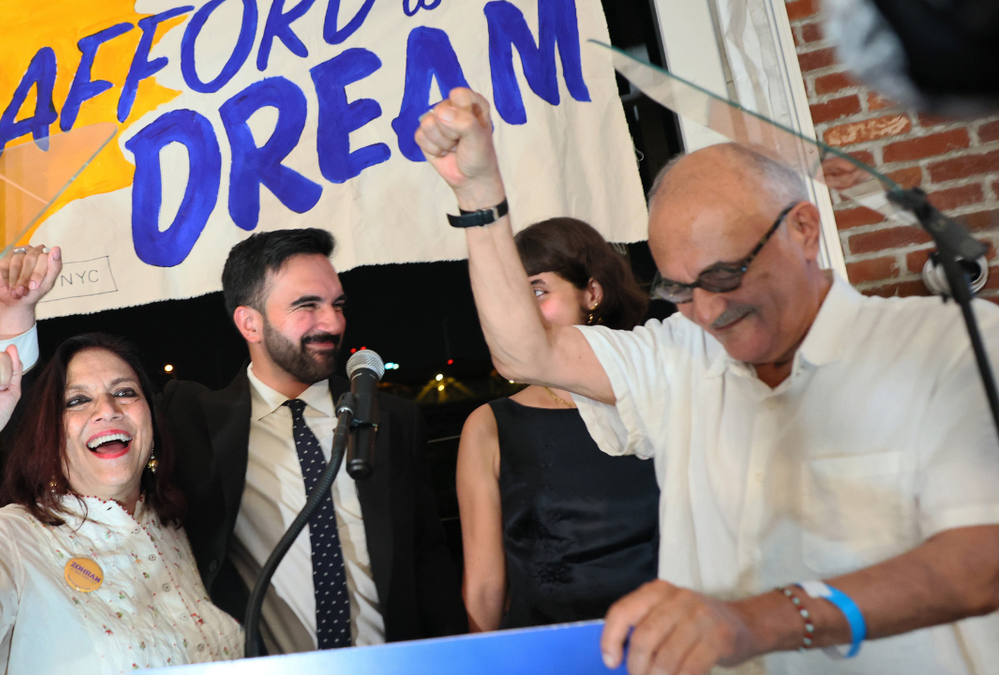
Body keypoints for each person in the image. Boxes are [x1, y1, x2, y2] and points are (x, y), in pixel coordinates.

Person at [415, 88, 999, 674]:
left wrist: (759, 621)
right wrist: (478, 195)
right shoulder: (679, 355)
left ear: (803, 230)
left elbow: (980, 560)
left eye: (727, 274)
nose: (709, 310)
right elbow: (525, 353)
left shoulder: (947, 348)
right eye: (679, 289)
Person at [0, 233, 467, 655]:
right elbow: (45, 423)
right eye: (307, 306)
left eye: (337, 305)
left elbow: (429, 560)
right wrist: (16, 317)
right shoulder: (191, 419)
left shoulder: (392, 419)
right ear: (249, 323)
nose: (332, 323)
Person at [0, 334, 241, 674]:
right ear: (50, 435)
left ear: (152, 419)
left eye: (125, 392)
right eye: (77, 400)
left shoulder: (177, 527)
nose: (107, 410)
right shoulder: (15, 535)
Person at [457, 217, 659, 632]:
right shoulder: (489, 426)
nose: (523, 312)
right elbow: (483, 587)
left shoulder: (659, 392)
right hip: (548, 650)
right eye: (513, 296)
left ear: (592, 293)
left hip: (667, 640)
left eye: (537, 290)